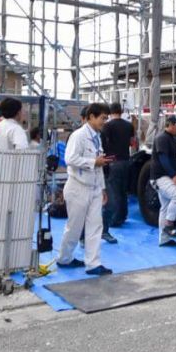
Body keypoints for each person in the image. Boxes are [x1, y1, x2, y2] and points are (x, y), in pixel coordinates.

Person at [56, 102, 113, 276]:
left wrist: (102, 189)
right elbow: (70, 158)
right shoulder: (78, 136)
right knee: (74, 227)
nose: (104, 121)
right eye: (102, 118)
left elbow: (99, 165)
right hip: (78, 187)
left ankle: (93, 264)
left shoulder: (97, 137)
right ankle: (64, 258)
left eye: (106, 118)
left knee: (96, 226)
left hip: (94, 188)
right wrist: (92, 162)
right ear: (91, 117)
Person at [99, 102, 135, 244]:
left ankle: (113, 219)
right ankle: (122, 216)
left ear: (111, 112)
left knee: (112, 191)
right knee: (123, 190)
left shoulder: (107, 126)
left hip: (112, 161)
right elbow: (133, 143)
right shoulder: (129, 126)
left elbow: (103, 144)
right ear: (121, 111)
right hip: (126, 160)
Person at [151, 115, 176, 247]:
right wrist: (174, 175)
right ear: (171, 124)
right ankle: (169, 224)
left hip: (163, 177)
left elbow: (174, 159)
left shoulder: (171, 139)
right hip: (160, 177)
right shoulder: (162, 138)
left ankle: (164, 239)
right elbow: (163, 159)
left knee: (165, 207)